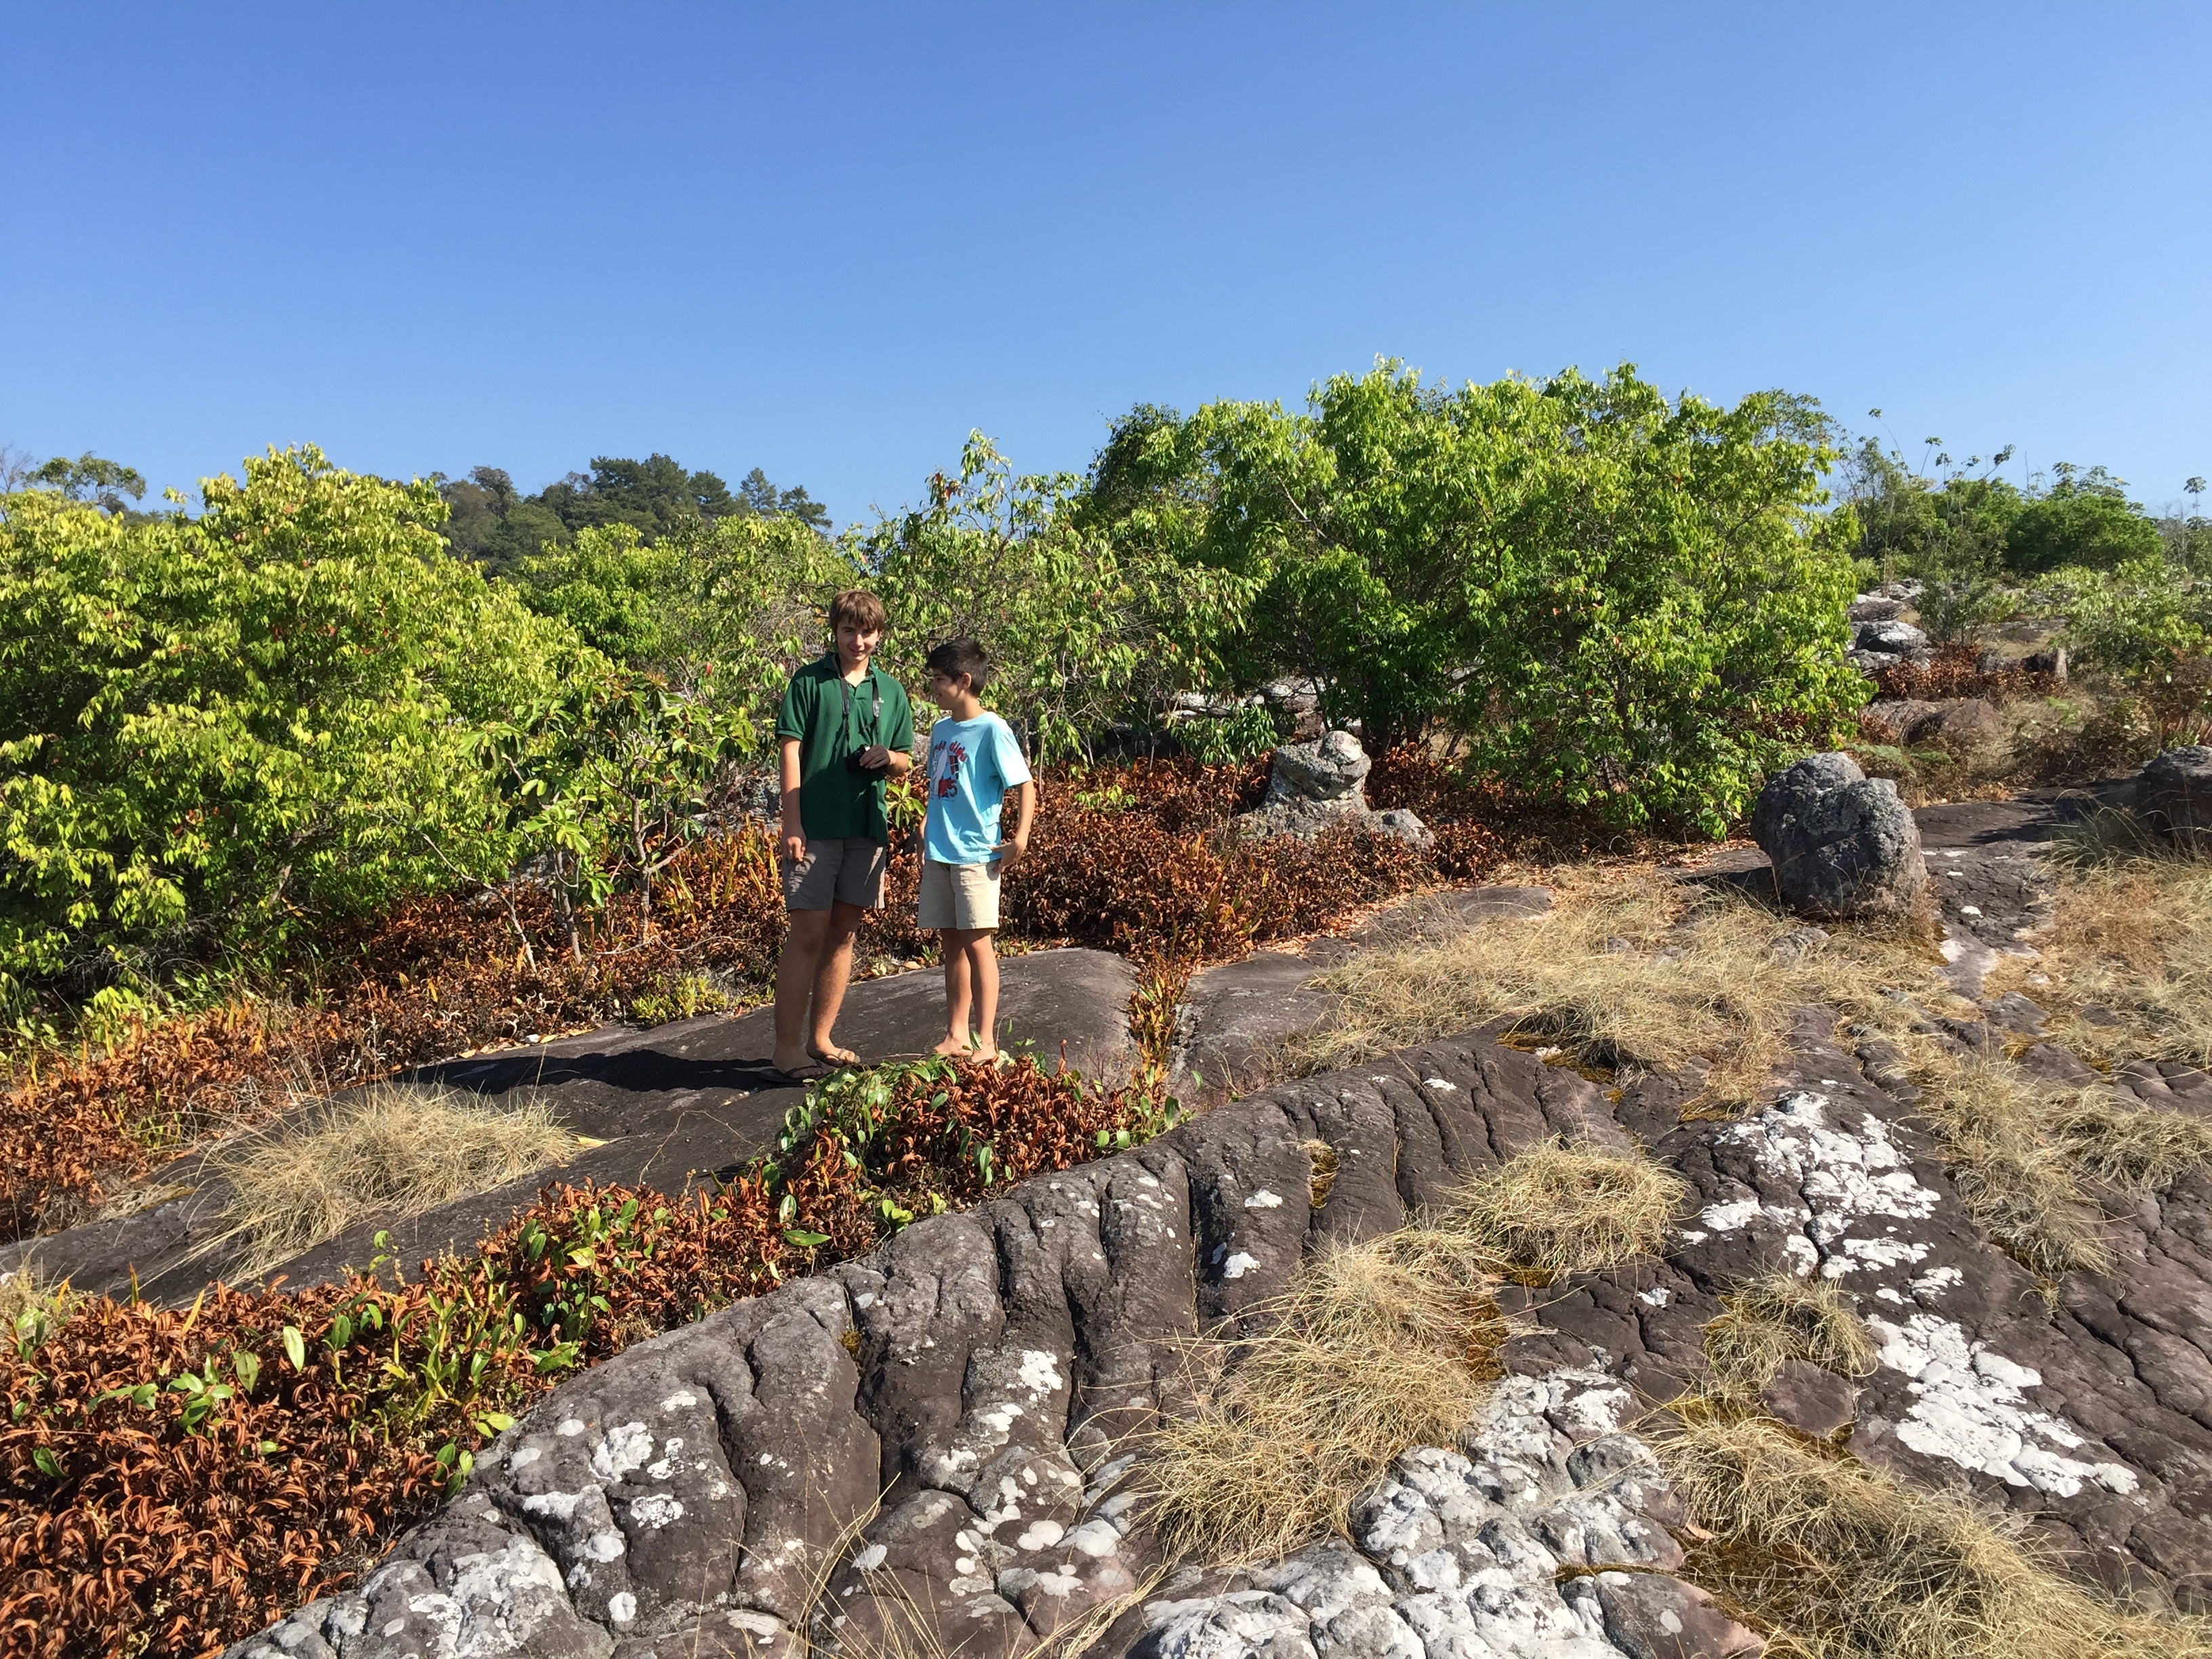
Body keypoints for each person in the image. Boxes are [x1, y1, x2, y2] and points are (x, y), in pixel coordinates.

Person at [770, 589, 914, 1080]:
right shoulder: (809, 682)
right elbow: (790, 752)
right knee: (807, 935)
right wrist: (793, 823)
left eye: (867, 631)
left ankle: (821, 1039)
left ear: (880, 634)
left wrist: (888, 759)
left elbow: (905, 761)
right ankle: (786, 1050)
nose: (858, 641)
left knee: (844, 935)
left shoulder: (892, 691)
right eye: (849, 630)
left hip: (867, 828)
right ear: (835, 631)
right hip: (815, 828)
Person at [917, 637, 1036, 1059]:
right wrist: (928, 823)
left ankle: (987, 1040)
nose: (934, 687)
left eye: (940, 680)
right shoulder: (941, 730)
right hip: (940, 852)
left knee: (977, 943)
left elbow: (1024, 784)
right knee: (951, 942)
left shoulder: (992, 728)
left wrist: (1019, 839)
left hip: (976, 853)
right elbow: (941, 785)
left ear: (964, 681)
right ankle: (956, 1034)